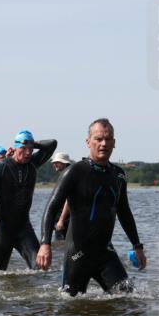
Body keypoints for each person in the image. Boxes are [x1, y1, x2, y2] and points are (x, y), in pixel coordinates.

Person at [36, 118, 145, 295]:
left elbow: (124, 212)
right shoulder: (75, 171)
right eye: (98, 139)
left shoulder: (119, 175)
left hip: (105, 253)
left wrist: (137, 246)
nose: (103, 143)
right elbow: (51, 207)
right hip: (77, 254)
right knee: (71, 309)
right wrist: (45, 244)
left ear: (114, 143)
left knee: (128, 301)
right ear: (88, 142)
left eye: (108, 139)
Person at [0, 130, 57, 270]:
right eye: (23, 148)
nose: (28, 153)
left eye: (30, 149)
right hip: (2, 230)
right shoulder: (0, 167)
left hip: (24, 229)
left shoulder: (33, 163)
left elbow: (52, 144)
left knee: (40, 269)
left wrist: (32, 143)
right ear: (14, 147)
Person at [50, 152, 73, 241]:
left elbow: (69, 200)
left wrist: (61, 220)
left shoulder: (68, 177)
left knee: (62, 245)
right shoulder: (65, 175)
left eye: (57, 162)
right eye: (53, 162)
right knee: (60, 246)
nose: (54, 164)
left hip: (65, 222)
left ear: (65, 163)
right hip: (62, 221)